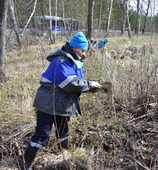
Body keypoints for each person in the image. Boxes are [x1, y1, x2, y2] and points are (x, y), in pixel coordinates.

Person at [24, 32, 102, 170]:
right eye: (82, 51)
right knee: (42, 134)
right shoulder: (62, 61)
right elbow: (71, 83)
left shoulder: (75, 62)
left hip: (62, 104)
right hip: (47, 104)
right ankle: (27, 163)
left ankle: (64, 157)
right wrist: (91, 85)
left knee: (63, 131)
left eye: (85, 51)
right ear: (74, 48)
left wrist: (94, 86)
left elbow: (77, 82)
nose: (85, 54)